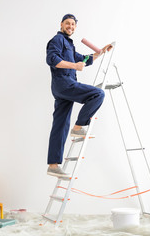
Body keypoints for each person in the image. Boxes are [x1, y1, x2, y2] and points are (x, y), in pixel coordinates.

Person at [46, 14, 113, 177]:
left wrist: (101, 52)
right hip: (63, 83)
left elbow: (84, 59)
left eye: (73, 24)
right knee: (98, 94)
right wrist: (74, 66)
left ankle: (53, 166)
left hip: (62, 87)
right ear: (61, 24)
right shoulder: (57, 40)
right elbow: (51, 58)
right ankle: (78, 126)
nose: (70, 26)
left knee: (60, 125)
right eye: (67, 23)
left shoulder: (69, 44)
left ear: (75, 27)